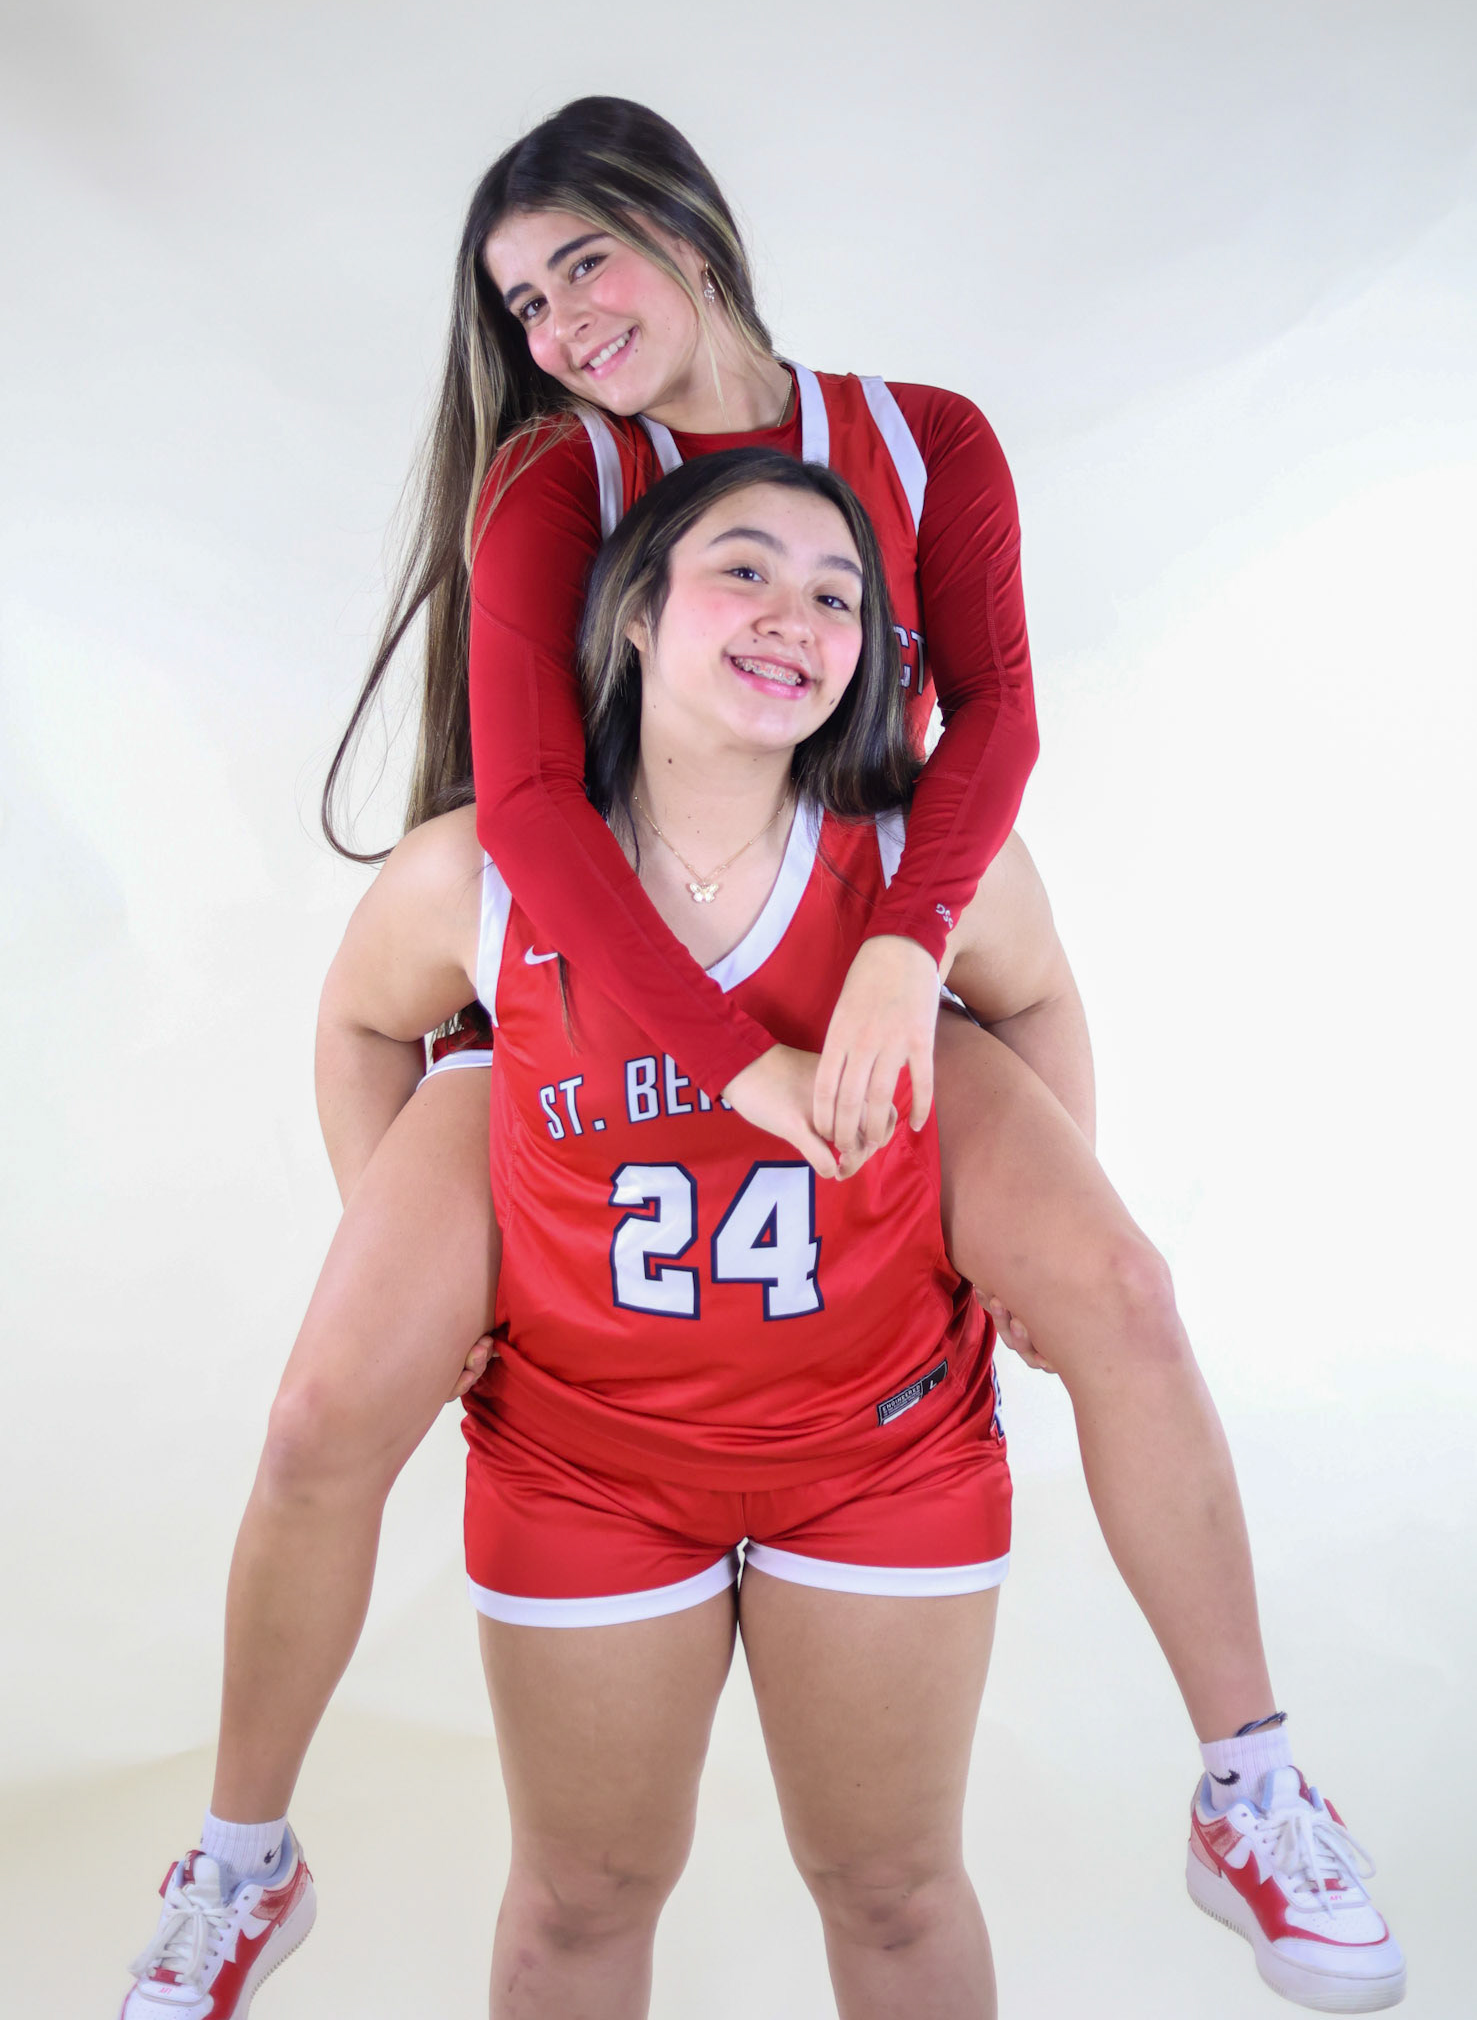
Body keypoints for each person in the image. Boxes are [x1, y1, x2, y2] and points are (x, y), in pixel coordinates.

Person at [121, 102, 1402, 2015]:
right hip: (582, 1000)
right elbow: (539, 815)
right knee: (329, 1421)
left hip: (861, 965)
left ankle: (1250, 1780)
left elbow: (1001, 720)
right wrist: (688, 1106)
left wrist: (899, 968)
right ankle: (240, 1853)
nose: (556, 322)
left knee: (1117, 1289)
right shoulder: (560, 484)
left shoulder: (920, 440)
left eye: (584, 262)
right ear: (644, 606)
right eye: (522, 299)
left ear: (689, 229)